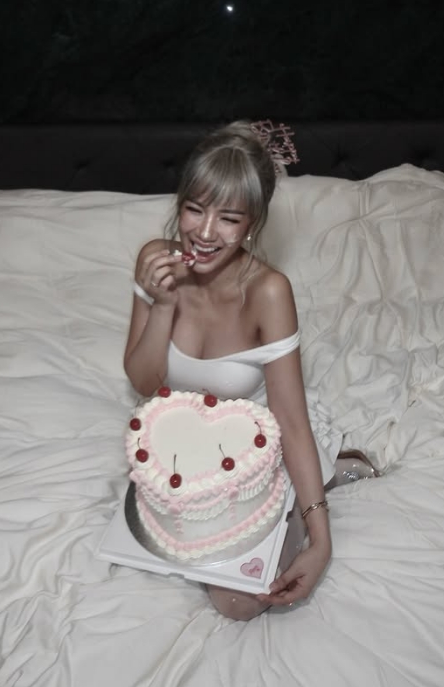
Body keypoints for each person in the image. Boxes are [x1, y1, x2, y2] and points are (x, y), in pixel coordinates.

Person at [123, 120, 356, 620]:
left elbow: (290, 421)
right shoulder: (155, 260)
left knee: (239, 603)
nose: (206, 233)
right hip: (185, 450)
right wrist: (163, 306)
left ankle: (334, 469)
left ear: (252, 223)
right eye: (194, 209)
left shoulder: (269, 291)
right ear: (179, 204)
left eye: (228, 218)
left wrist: (322, 541)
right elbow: (143, 383)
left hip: (258, 451)